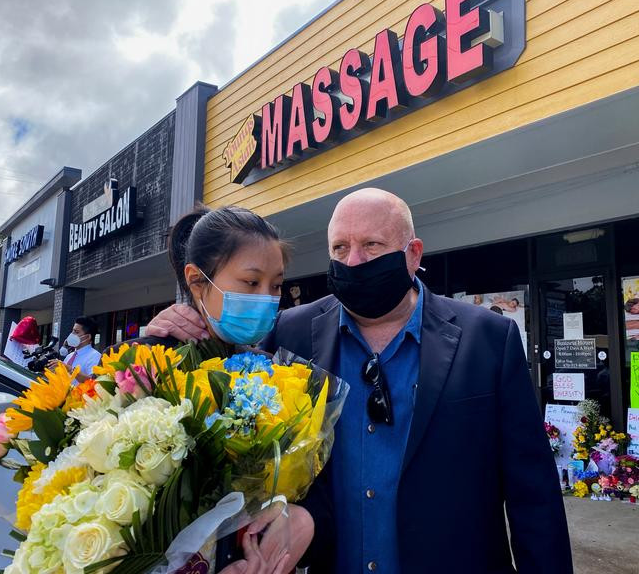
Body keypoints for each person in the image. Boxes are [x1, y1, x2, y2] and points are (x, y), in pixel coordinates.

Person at [147, 188, 573, 573]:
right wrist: (174, 329)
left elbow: (532, 495)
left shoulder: (487, 338)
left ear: (412, 254)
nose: (353, 261)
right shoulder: (290, 333)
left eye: (371, 245)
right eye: (340, 247)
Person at [133, 205, 314, 574]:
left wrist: (288, 520)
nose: (266, 297)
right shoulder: (149, 365)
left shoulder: (272, 371)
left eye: (276, 285)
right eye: (251, 283)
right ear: (198, 281)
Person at [47, 316, 101, 382]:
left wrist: (70, 369)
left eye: (76, 332)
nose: (72, 334)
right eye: (72, 331)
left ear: (87, 337)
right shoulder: (69, 356)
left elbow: (93, 382)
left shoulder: (95, 356)